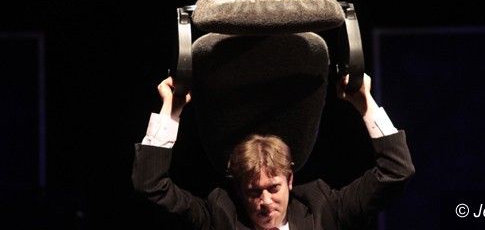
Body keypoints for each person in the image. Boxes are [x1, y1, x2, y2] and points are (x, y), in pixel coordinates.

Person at [132, 74, 415, 230]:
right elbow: (150, 184)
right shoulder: (218, 216)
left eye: (273, 187)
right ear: (239, 189)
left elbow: (396, 171)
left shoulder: (323, 209)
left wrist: (366, 105)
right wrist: (171, 111)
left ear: (290, 180)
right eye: (254, 191)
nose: (265, 201)